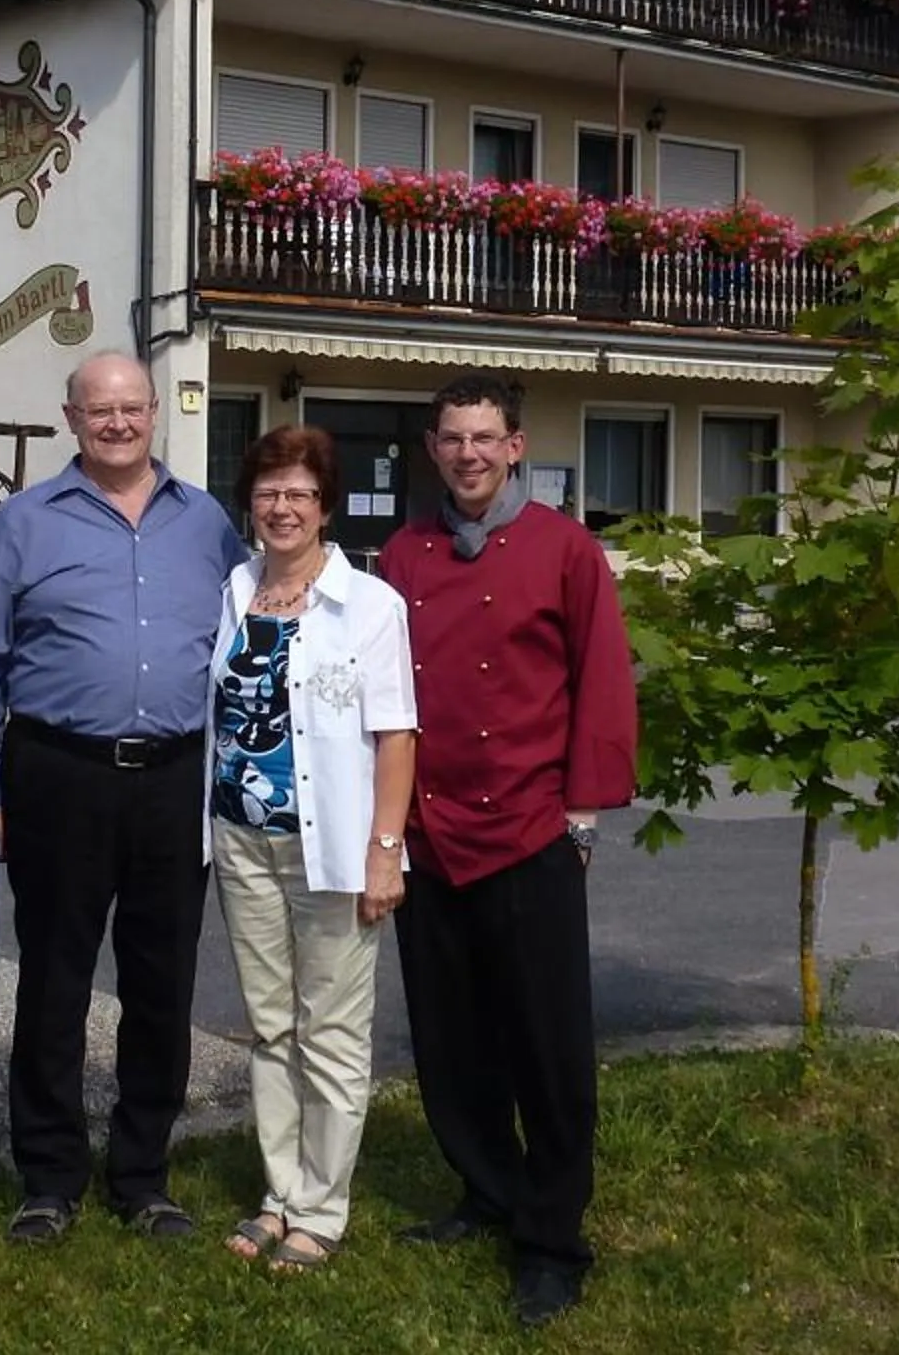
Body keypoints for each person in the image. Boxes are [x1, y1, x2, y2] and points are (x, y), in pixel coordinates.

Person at [380, 371, 637, 1330]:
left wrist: (582, 812)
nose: (469, 454)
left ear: (516, 446)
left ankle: (552, 1238)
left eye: (485, 438)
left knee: (548, 1045)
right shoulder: (403, 553)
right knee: (450, 1041)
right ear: (433, 448)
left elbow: (601, 682)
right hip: (432, 832)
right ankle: (485, 1190)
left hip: (532, 832)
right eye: (452, 439)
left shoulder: (568, 552)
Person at [0, 352, 247, 1244]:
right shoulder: (20, 523)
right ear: (71, 418)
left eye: (133, 408)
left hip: (174, 777)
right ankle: (50, 1177)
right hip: (58, 771)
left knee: (161, 982)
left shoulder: (206, 521)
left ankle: (143, 1175)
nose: (119, 423)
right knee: (54, 979)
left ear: (157, 412)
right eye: (102, 410)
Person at [206, 423, 417, 1273]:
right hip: (240, 840)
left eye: (298, 493)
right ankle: (278, 1192)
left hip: (330, 852)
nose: (282, 507)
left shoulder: (370, 605)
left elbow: (397, 735)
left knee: (330, 1031)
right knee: (268, 1027)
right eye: (267, 493)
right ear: (249, 505)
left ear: (325, 504)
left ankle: (321, 1209)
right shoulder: (235, 589)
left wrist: (384, 850)